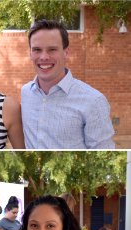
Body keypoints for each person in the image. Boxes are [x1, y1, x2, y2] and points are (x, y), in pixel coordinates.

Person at [21, 19, 115, 149]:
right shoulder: (26, 93)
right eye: (37, 49)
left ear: (66, 52)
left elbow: (104, 151)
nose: (44, 57)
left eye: (52, 49)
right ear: (30, 53)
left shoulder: (94, 101)